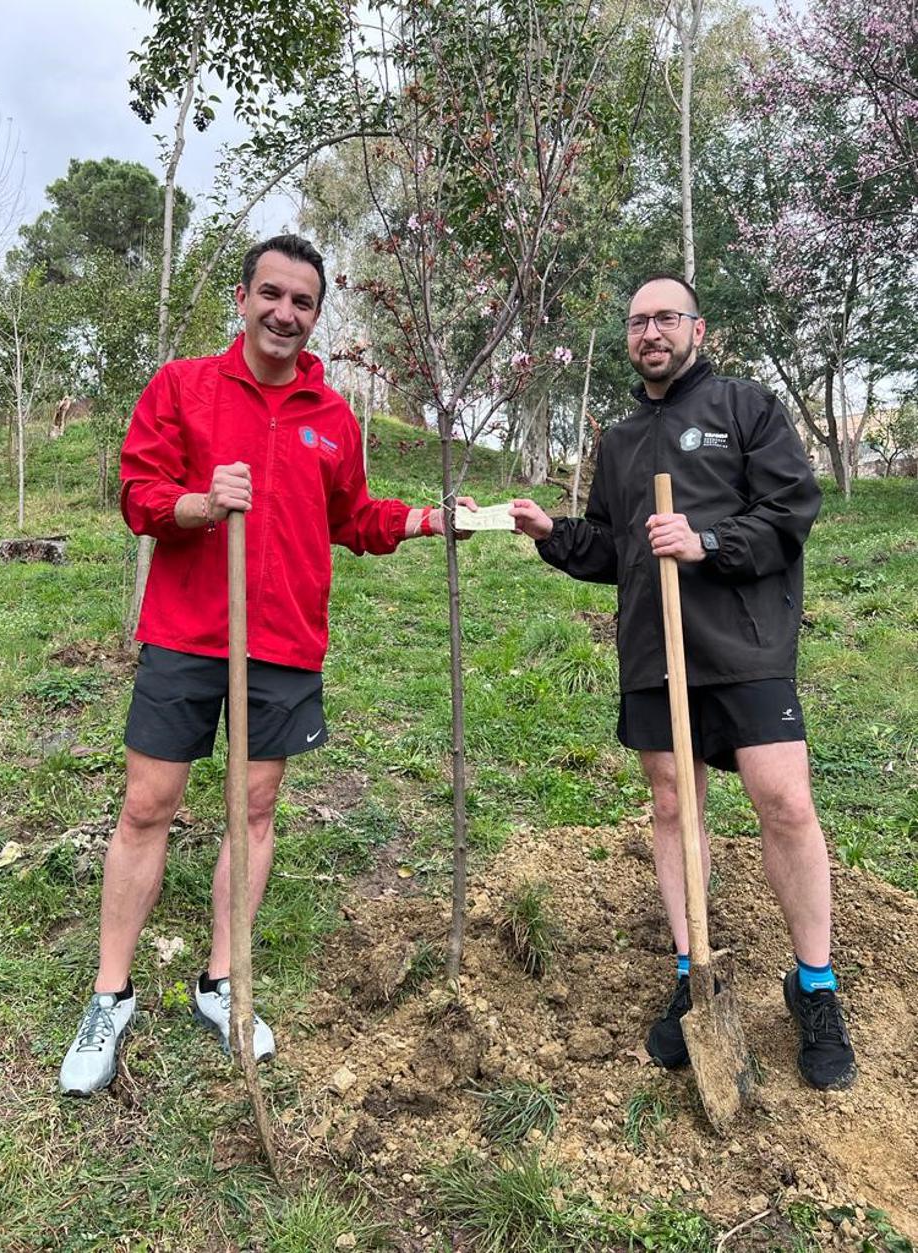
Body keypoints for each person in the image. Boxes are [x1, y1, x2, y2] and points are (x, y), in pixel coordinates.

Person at [60, 233, 474, 1096]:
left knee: (254, 809)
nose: (286, 312)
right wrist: (201, 504)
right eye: (273, 294)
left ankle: (223, 981)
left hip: (282, 640)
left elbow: (354, 516)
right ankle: (110, 994)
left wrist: (430, 520)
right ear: (243, 297)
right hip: (187, 633)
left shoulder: (333, 415)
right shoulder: (184, 387)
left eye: (304, 301)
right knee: (148, 807)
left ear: (317, 314)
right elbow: (137, 496)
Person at [509, 273, 856, 1092]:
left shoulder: (746, 408)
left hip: (743, 643)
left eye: (666, 317)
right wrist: (556, 534)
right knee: (672, 801)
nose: (651, 332)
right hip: (652, 652)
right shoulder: (622, 437)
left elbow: (791, 509)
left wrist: (705, 541)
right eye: (638, 321)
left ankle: (814, 984)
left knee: (784, 800)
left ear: (698, 328)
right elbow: (613, 550)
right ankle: (692, 969)